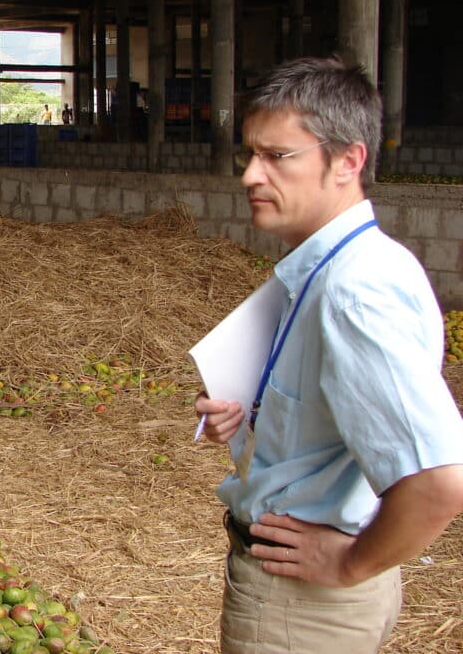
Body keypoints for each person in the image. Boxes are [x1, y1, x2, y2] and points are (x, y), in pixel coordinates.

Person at [194, 56, 463, 654]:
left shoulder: (354, 291)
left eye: (277, 156)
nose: (249, 176)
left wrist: (348, 565)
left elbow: (438, 480)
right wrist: (249, 415)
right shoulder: (334, 267)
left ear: (348, 161)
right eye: (249, 155)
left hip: (301, 605)